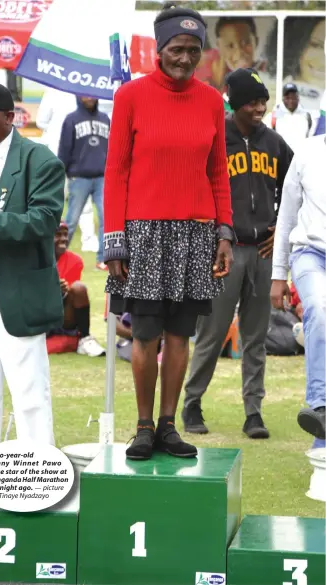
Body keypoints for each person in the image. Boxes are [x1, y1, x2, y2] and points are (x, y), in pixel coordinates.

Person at [104, 4, 234, 461]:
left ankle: (168, 425)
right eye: (177, 49)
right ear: (160, 50)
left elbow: (218, 171)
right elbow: (115, 170)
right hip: (142, 234)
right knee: (145, 334)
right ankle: (142, 427)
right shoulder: (131, 97)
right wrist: (113, 236)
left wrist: (224, 232)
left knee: (180, 335)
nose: (184, 58)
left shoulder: (212, 101)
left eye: (193, 50)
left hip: (197, 233)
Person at [182, 68, 293, 439]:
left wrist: (283, 225)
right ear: (234, 102)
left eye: (262, 100)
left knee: (255, 337)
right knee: (211, 334)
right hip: (224, 251)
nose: (259, 107)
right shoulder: (215, 139)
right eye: (251, 101)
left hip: (263, 251)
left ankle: (253, 411)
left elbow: (297, 189)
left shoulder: (275, 143)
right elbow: (196, 187)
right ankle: (192, 403)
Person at [0, 79, 65, 447]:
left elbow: (44, 220)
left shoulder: (39, 159)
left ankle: (40, 478)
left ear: (10, 117)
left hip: (15, 286)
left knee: (28, 393)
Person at [270, 133, 326, 441]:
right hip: (310, 253)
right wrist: (279, 275)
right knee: (318, 307)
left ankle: (322, 439)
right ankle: (320, 408)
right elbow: (287, 216)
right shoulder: (306, 151)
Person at [58, 97, 110, 270]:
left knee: (106, 218)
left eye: (92, 94)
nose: (89, 97)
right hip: (79, 177)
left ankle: (102, 259)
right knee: (71, 219)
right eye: (85, 94)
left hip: (103, 177)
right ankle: (57, 257)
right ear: (78, 96)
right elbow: (64, 148)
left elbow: (111, 147)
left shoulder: (105, 118)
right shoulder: (71, 119)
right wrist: (61, 172)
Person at [50, 222, 106, 357]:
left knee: (79, 288)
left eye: (65, 234)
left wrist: (61, 291)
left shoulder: (75, 261)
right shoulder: (35, 259)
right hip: (38, 314)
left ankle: (85, 338)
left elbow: (71, 295)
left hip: (63, 315)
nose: (63, 238)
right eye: (58, 234)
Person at [196, 17, 266, 92]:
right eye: (230, 46)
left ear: (256, 41)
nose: (239, 53)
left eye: (246, 43)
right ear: (219, 46)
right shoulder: (205, 68)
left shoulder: (264, 71)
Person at [264, 83, 312, 152]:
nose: (291, 101)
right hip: (280, 159)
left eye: (293, 97)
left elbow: (310, 139)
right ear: (283, 98)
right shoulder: (272, 116)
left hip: (300, 158)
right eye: (288, 98)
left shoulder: (307, 116)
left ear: (298, 98)